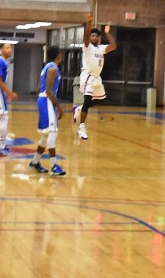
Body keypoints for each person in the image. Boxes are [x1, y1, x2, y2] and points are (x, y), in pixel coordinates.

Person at [74, 13, 117, 140]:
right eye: (92, 35)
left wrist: (108, 33)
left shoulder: (101, 48)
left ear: (98, 38)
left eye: (96, 36)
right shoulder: (86, 47)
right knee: (87, 101)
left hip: (97, 78)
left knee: (101, 99)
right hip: (87, 76)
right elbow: (86, 35)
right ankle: (81, 127)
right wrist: (89, 22)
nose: (93, 37)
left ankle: (80, 108)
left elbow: (113, 46)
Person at [29, 45, 66, 176]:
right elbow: (48, 91)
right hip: (47, 100)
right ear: (58, 55)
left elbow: (39, 86)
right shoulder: (52, 69)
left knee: (46, 134)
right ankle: (54, 165)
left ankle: (35, 162)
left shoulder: (47, 67)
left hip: (44, 100)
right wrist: (59, 107)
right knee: (53, 132)